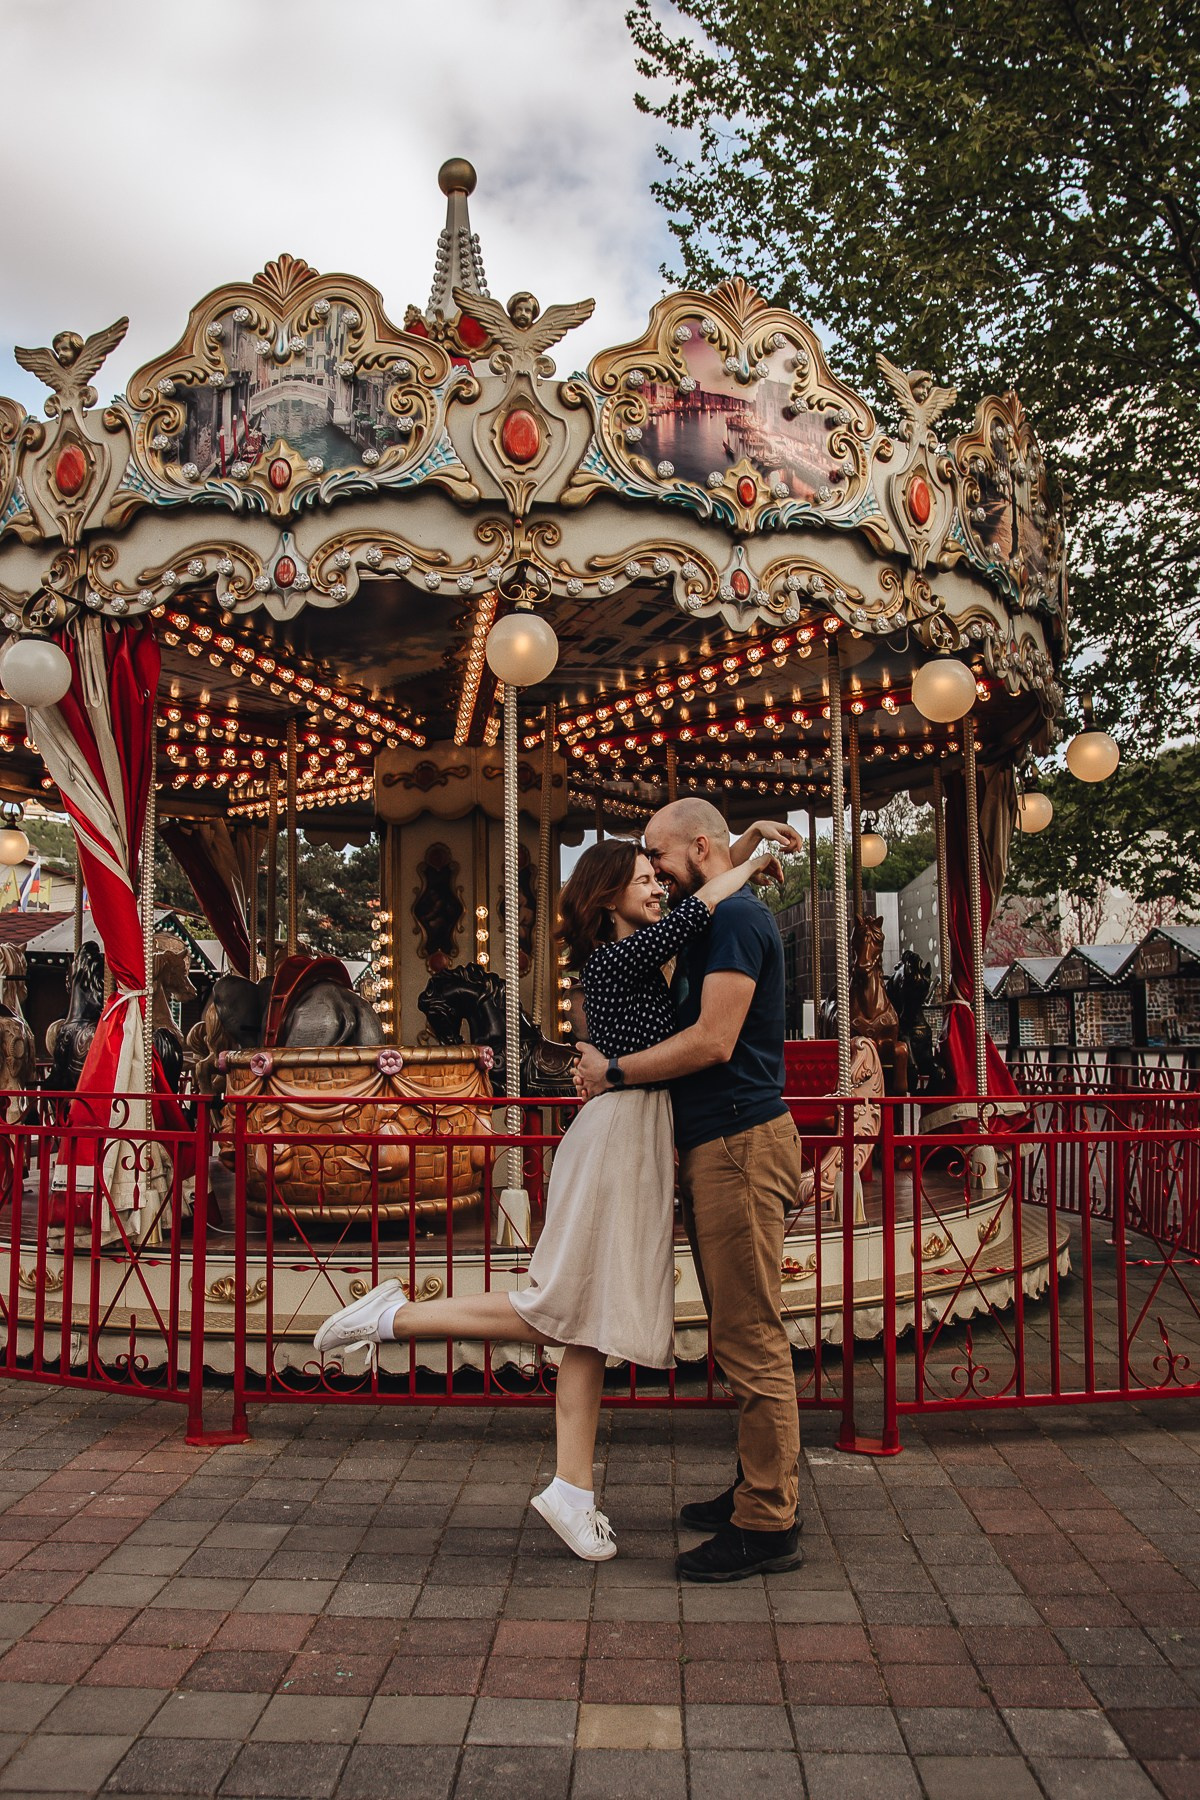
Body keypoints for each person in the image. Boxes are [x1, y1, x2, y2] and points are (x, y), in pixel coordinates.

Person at [312, 834, 781, 1563]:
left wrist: (735, 848)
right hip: (621, 1134)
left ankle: (572, 1490)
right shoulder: (614, 958)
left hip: (637, 1133)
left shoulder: (636, 950)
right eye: (642, 878)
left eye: (659, 875)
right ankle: (395, 1316)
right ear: (606, 897)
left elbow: (696, 898)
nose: (658, 886)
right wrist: (747, 864)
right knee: (558, 1303)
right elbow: (703, 906)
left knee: (586, 1322)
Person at [575, 796, 805, 1584]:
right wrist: (742, 843)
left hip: (739, 1137)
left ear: (694, 851)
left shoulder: (737, 924)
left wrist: (612, 1071)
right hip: (720, 1141)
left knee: (749, 1334)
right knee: (736, 1327)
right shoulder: (718, 914)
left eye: (659, 859)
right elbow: (701, 874)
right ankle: (757, 1485)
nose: (658, 877)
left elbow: (712, 1041)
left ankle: (768, 1519)